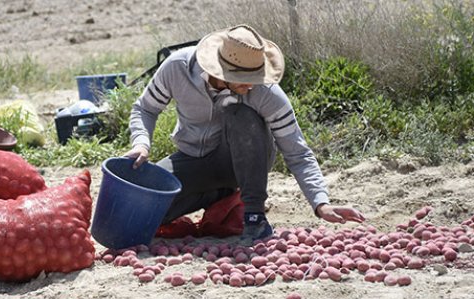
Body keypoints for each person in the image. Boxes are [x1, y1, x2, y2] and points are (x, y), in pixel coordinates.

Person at [124, 24, 366, 241]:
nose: (251, 84)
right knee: (140, 211)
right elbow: (145, 108)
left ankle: (253, 216)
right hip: (192, 159)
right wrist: (141, 143)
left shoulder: (267, 93)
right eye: (243, 78)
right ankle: (221, 197)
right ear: (220, 71)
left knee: (240, 114)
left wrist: (321, 203)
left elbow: (297, 152)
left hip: (244, 162)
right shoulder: (177, 68)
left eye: (255, 76)